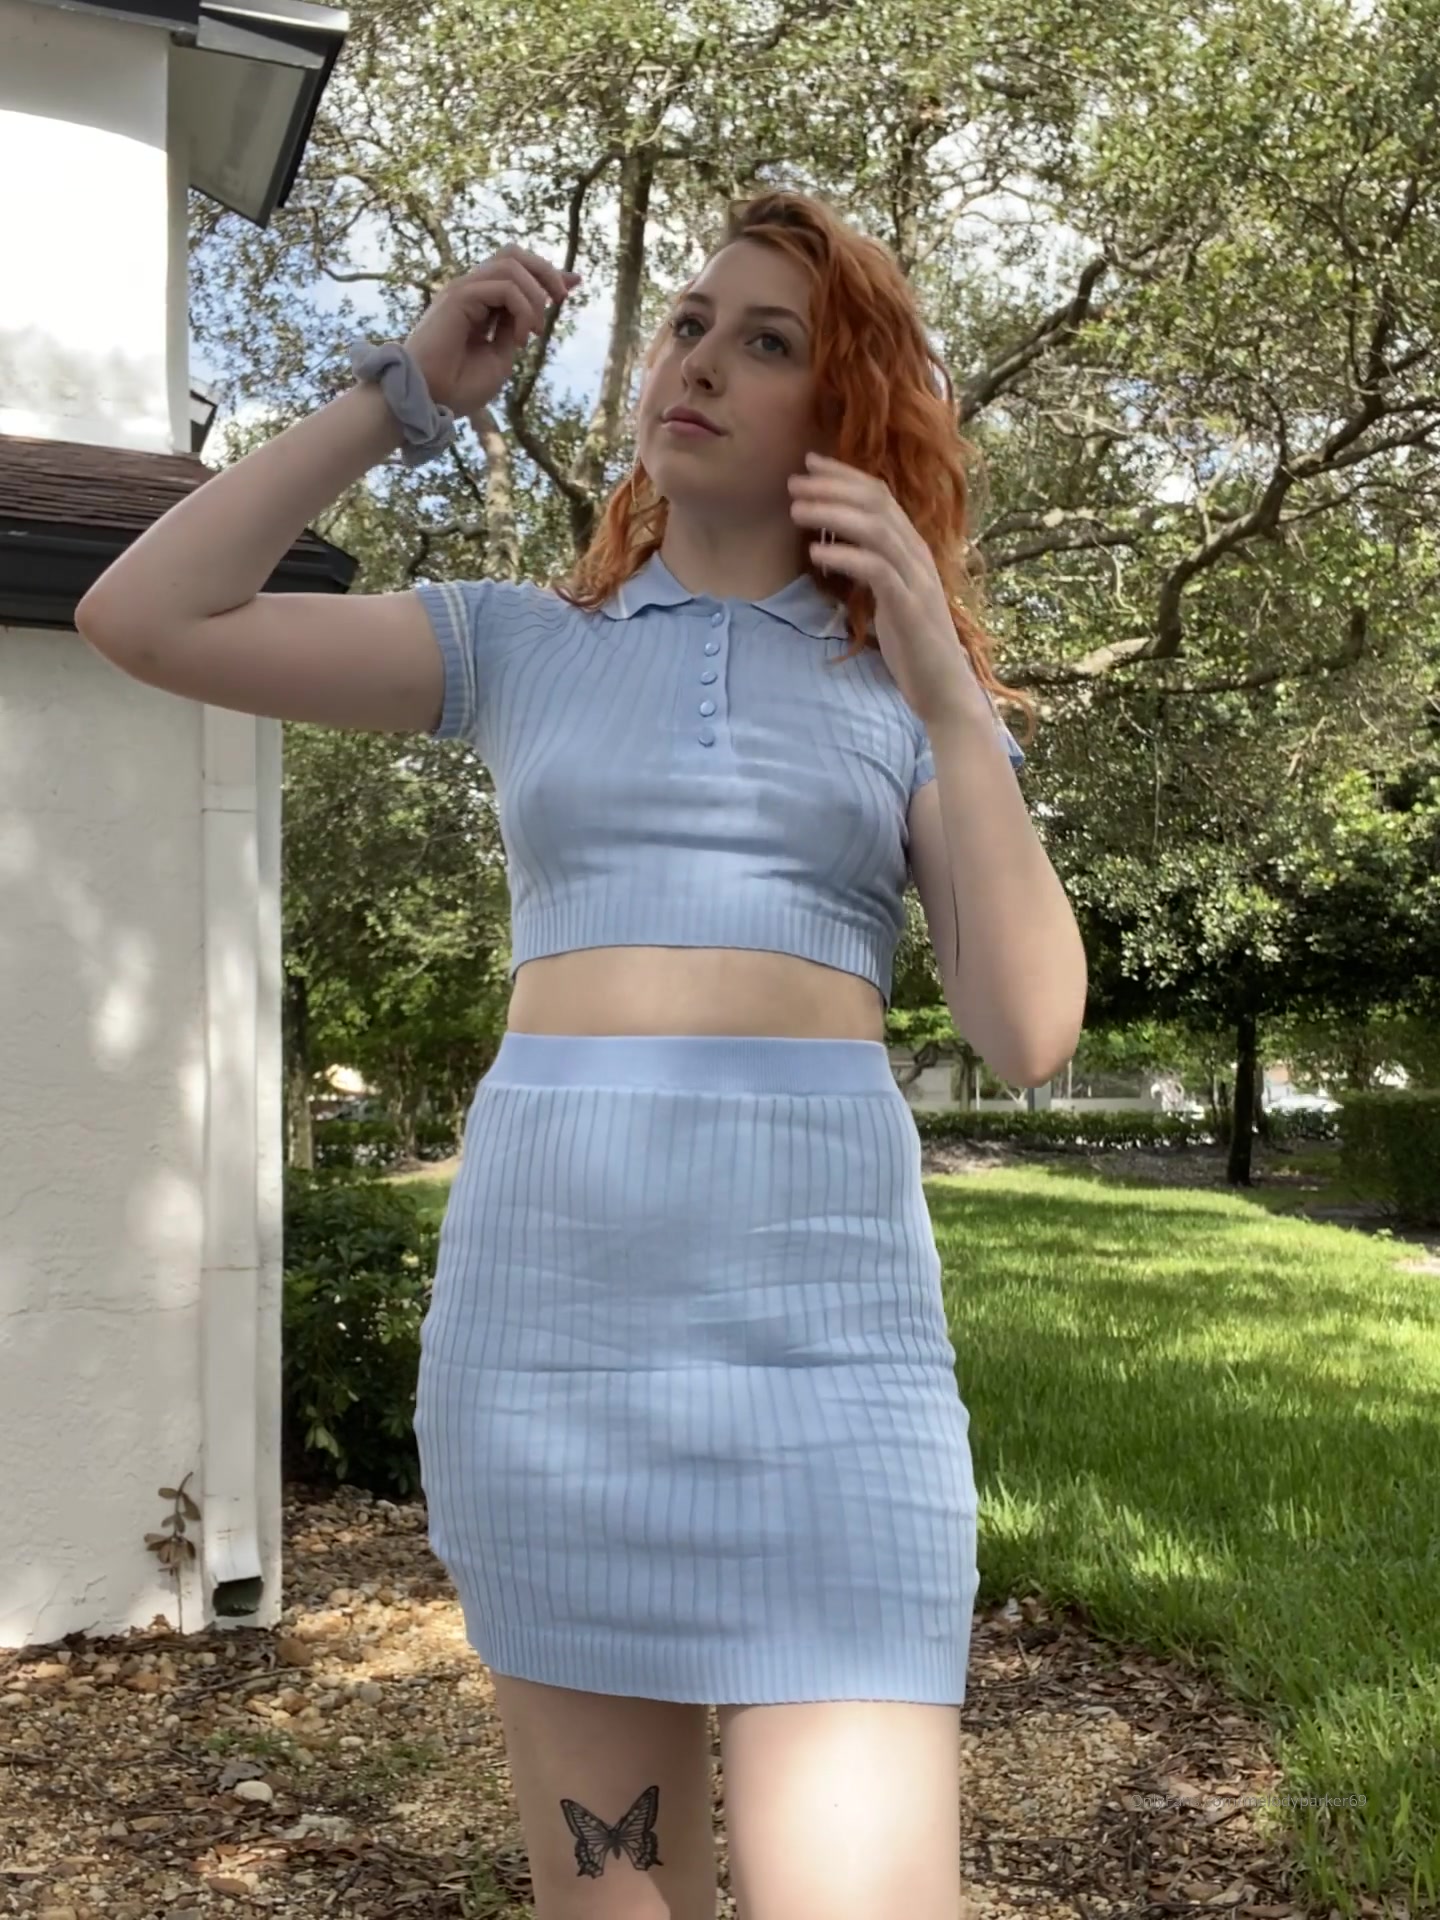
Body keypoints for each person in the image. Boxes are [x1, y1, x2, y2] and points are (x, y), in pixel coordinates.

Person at [77, 188, 1088, 1920]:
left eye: (766, 342)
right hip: (552, 1365)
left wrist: (942, 686)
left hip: (831, 1377)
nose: (699, 360)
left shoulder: (912, 700)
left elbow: (1030, 1028)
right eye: (689, 323)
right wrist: (401, 396)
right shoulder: (520, 645)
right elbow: (145, 615)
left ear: (843, 414)